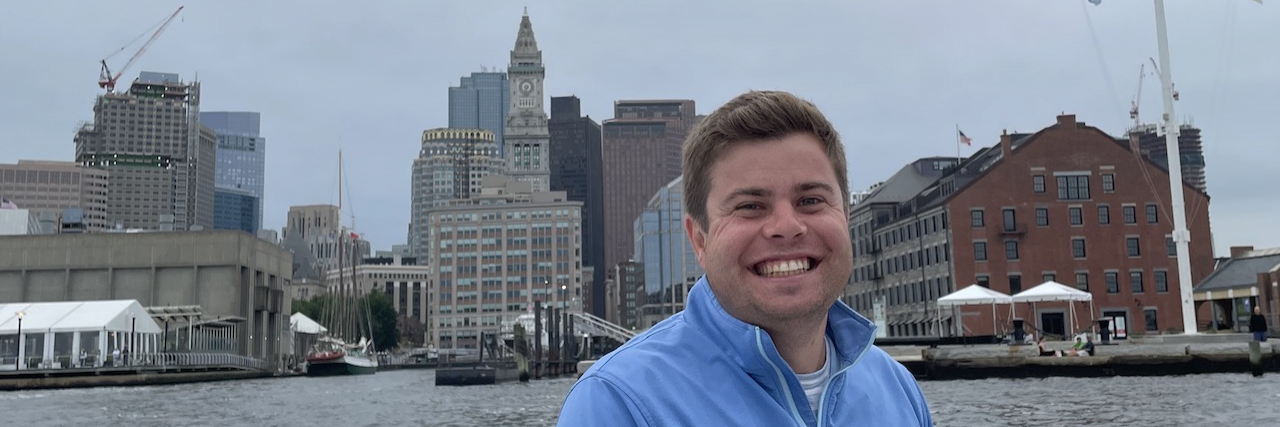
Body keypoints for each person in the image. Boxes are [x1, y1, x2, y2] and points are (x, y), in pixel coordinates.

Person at [556, 91, 932, 426]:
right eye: (751, 206)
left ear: (845, 218)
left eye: (811, 200)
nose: (787, 226)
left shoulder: (899, 391)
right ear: (699, 240)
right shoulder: (618, 404)